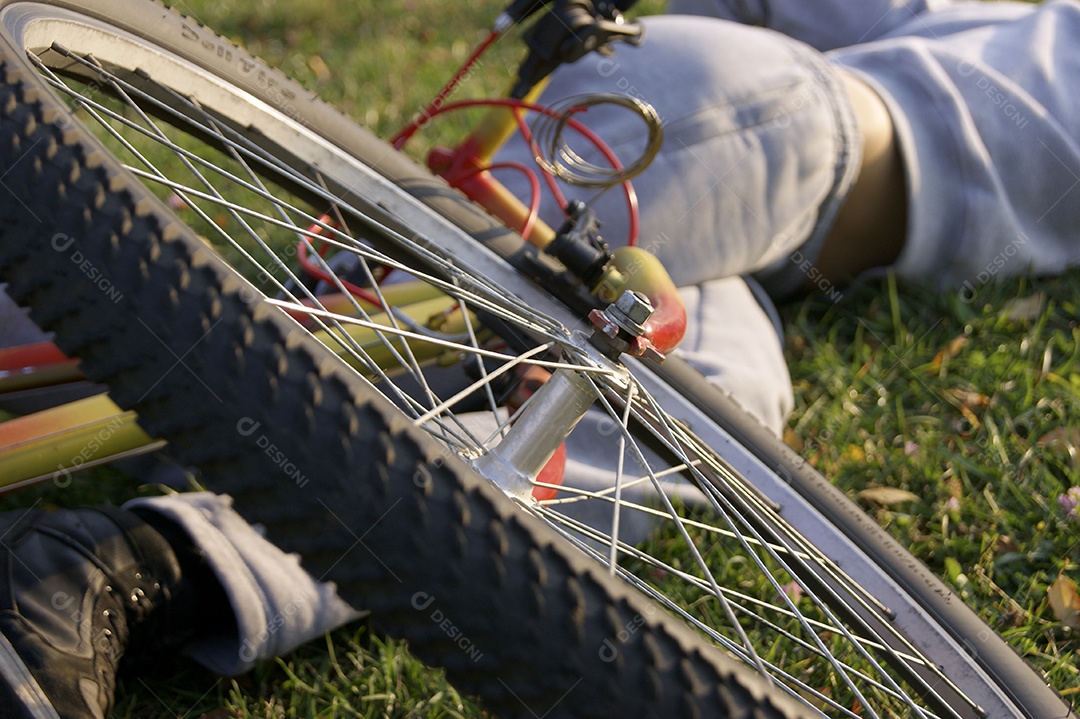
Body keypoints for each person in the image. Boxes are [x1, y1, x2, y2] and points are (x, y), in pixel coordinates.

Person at [3, 0, 1080, 716]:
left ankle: (146, 553)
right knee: (379, 312)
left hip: (737, 211)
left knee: (703, 389)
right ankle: (130, 507)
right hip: (773, 135)